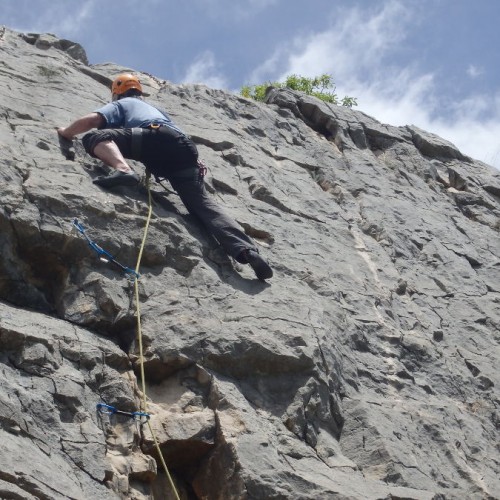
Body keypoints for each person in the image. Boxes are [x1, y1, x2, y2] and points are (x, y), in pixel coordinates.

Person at [57, 73, 273, 280]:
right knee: (204, 206)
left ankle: (123, 169)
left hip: (155, 140)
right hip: (184, 151)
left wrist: (66, 132)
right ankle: (247, 252)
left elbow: (92, 121)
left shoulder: (123, 104)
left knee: (96, 137)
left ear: (117, 93)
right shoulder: (153, 109)